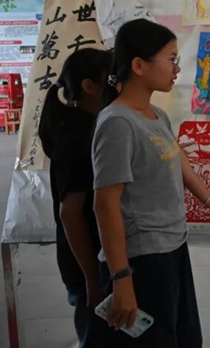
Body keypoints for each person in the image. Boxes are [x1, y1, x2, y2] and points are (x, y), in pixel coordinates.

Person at [92, 19, 210, 347]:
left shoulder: (156, 114)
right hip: (142, 260)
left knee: (185, 338)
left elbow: (180, 161)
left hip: (172, 248)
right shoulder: (117, 124)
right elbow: (105, 204)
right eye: (171, 59)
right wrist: (121, 278)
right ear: (139, 65)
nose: (177, 69)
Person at [39, 48, 112, 348]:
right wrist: (92, 278)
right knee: (96, 335)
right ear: (89, 86)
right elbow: (70, 214)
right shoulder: (79, 138)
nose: (118, 85)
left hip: (97, 260)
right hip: (87, 264)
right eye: (112, 79)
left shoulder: (92, 127)